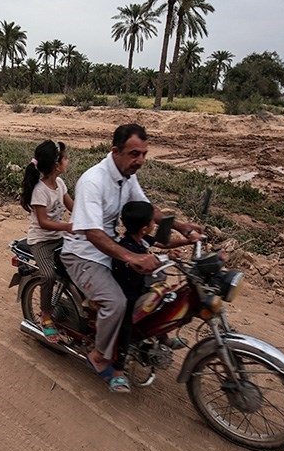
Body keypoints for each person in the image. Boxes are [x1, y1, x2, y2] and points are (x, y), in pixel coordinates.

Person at [59, 123, 201, 393]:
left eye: (144, 154)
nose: (141, 160)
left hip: (111, 247)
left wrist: (181, 226)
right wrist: (130, 257)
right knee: (116, 302)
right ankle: (99, 356)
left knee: (158, 279)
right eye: (135, 154)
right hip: (84, 255)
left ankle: (147, 334)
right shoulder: (93, 181)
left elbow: (149, 209)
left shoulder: (127, 175)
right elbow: (91, 233)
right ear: (116, 151)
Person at [111, 201, 195, 380]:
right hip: (127, 293)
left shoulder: (140, 238)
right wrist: (159, 258)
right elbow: (144, 264)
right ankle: (118, 368)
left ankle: (163, 338)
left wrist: (186, 241)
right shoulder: (127, 247)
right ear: (144, 228)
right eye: (152, 222)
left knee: (162, 301)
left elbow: (163, 244)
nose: (154, 225)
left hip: (141, 287)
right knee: (126, 327)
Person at [20, 140, 74, 343]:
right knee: (49, 275)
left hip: (59, 237)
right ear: (56, 165)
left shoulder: (60, 184)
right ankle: (46, 315)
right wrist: (68, 227)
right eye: (66, 158)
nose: (68, 161)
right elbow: (43, 222)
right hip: (41, 241)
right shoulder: (40, 191)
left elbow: (73, 206)